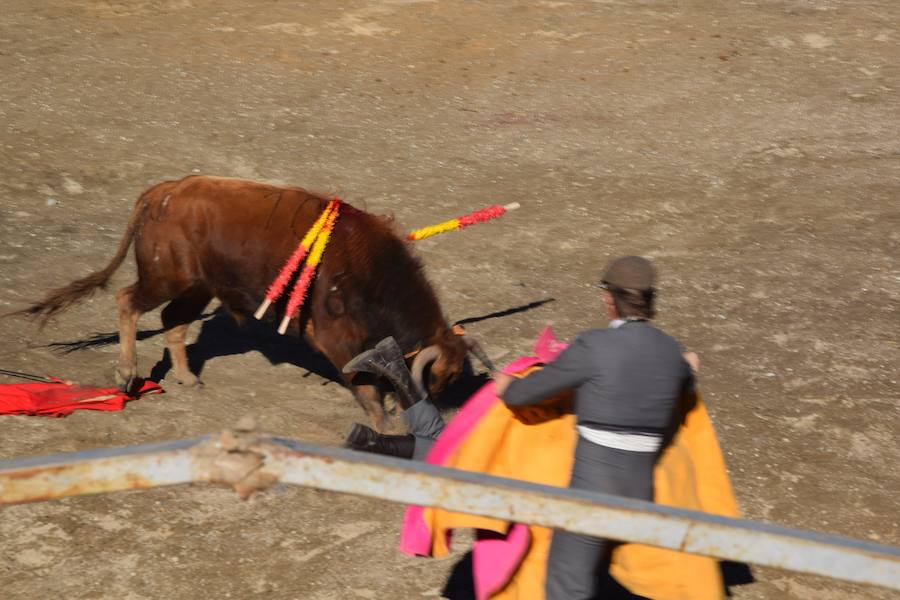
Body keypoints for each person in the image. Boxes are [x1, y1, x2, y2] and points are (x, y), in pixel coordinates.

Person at [492, 255, 697, 600]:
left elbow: (527, 394)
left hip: (594, 488)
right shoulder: (670, 352)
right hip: (645, 488)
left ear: (608, 298)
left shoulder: (594, 346)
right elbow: (686, 380)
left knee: (567, 581)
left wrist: (505, 386)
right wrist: (690, 367)